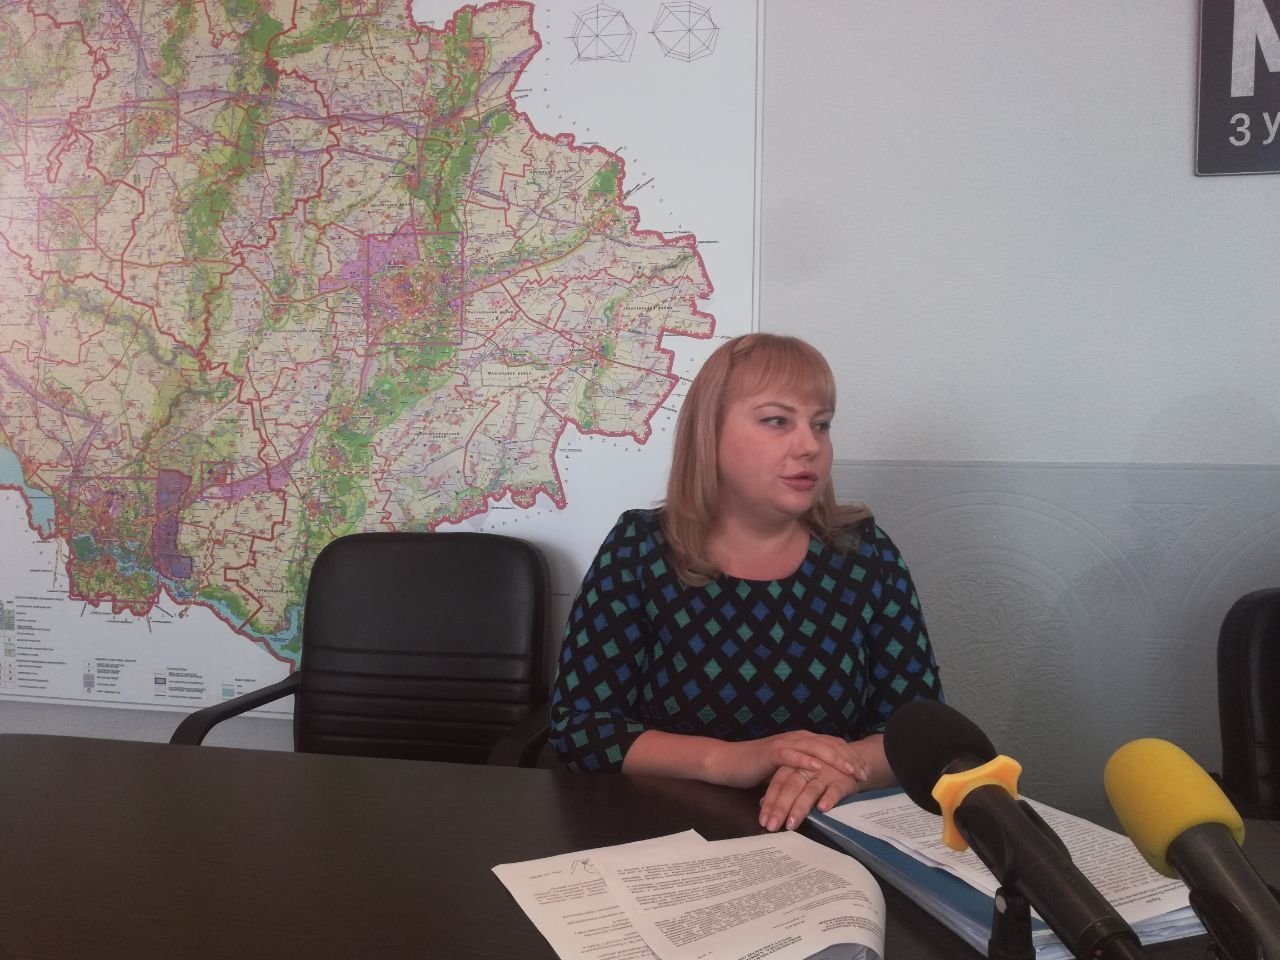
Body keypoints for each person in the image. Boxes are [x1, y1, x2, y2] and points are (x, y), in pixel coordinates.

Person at [548, 333, 943, 831]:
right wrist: (732, 761)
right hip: (667, 835)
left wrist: (847, 769)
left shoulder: (866, 552)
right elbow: (580, 729)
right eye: (777, 421)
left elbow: (920, 732)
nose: (810, 445)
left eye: (821, 424)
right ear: (709, 433)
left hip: (822, 831)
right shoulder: (639, 548)